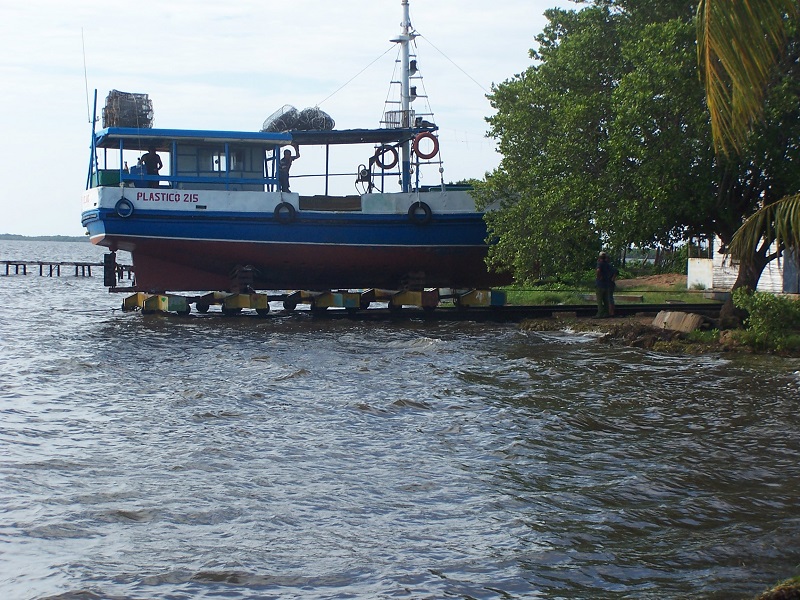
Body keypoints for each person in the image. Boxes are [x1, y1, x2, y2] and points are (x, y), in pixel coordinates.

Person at [595, 251, 614, 317]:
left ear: (599, 257)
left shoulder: (599, 263)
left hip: (600, 284)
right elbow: (614, 271)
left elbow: (598, 270)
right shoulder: (608, 264)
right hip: (606, 284)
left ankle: (600, 313)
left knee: (599, 300)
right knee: (606, 300)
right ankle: (606, 313)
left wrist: (599, 277)